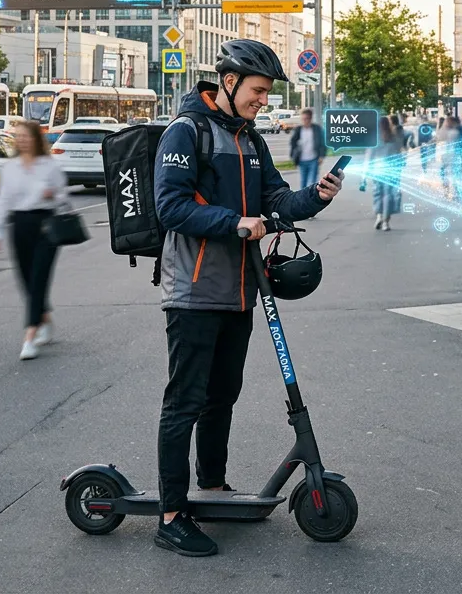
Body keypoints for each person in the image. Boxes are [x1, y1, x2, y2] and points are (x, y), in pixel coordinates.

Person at [152, 39, 344, 557]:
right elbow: (170, 206)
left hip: (241, 291)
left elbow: (276, 201)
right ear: (230, 83)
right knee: (185, 401)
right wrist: (235, 223)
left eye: (266, 93)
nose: (263, 100)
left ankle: (211, 488)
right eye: (258, 91)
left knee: (223, 395)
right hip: (193, 291)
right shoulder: (186, 132)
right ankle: (171, 515)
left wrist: (316, 197)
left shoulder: (250, 141)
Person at [0, 120, 68, 360]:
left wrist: (53, 194)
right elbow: (2, 202)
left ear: (35, 139)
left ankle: (29, 338)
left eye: (26, 136)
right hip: (20, 226)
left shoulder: (49, 166)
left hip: (46, 225)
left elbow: (64, 197)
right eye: (18, 136)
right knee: (25, 280)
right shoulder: (11, 168)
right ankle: (44, 319)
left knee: (38, 279)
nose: (21, 140)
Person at [367, 116, 404, 231]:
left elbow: (370, 156)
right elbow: (398, 154)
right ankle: (386, 222)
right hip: (390, 170)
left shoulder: (374, 138)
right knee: (388, 195)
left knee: (378, 193)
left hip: (378, 169)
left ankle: (379, 216)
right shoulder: (394, 138)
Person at [289, 108, 325, 188]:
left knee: (313, 182)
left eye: (306, 119)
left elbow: (322, 143)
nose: (305, 121)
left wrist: (321, 156)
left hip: (314, 159)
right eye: (303, 119)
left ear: (310, 118)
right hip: (302, 160)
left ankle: (312, 199)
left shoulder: (317, 129)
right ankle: (303, 200)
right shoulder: (299, 129)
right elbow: (292, 143)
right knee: (303, 181)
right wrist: (293, 157)